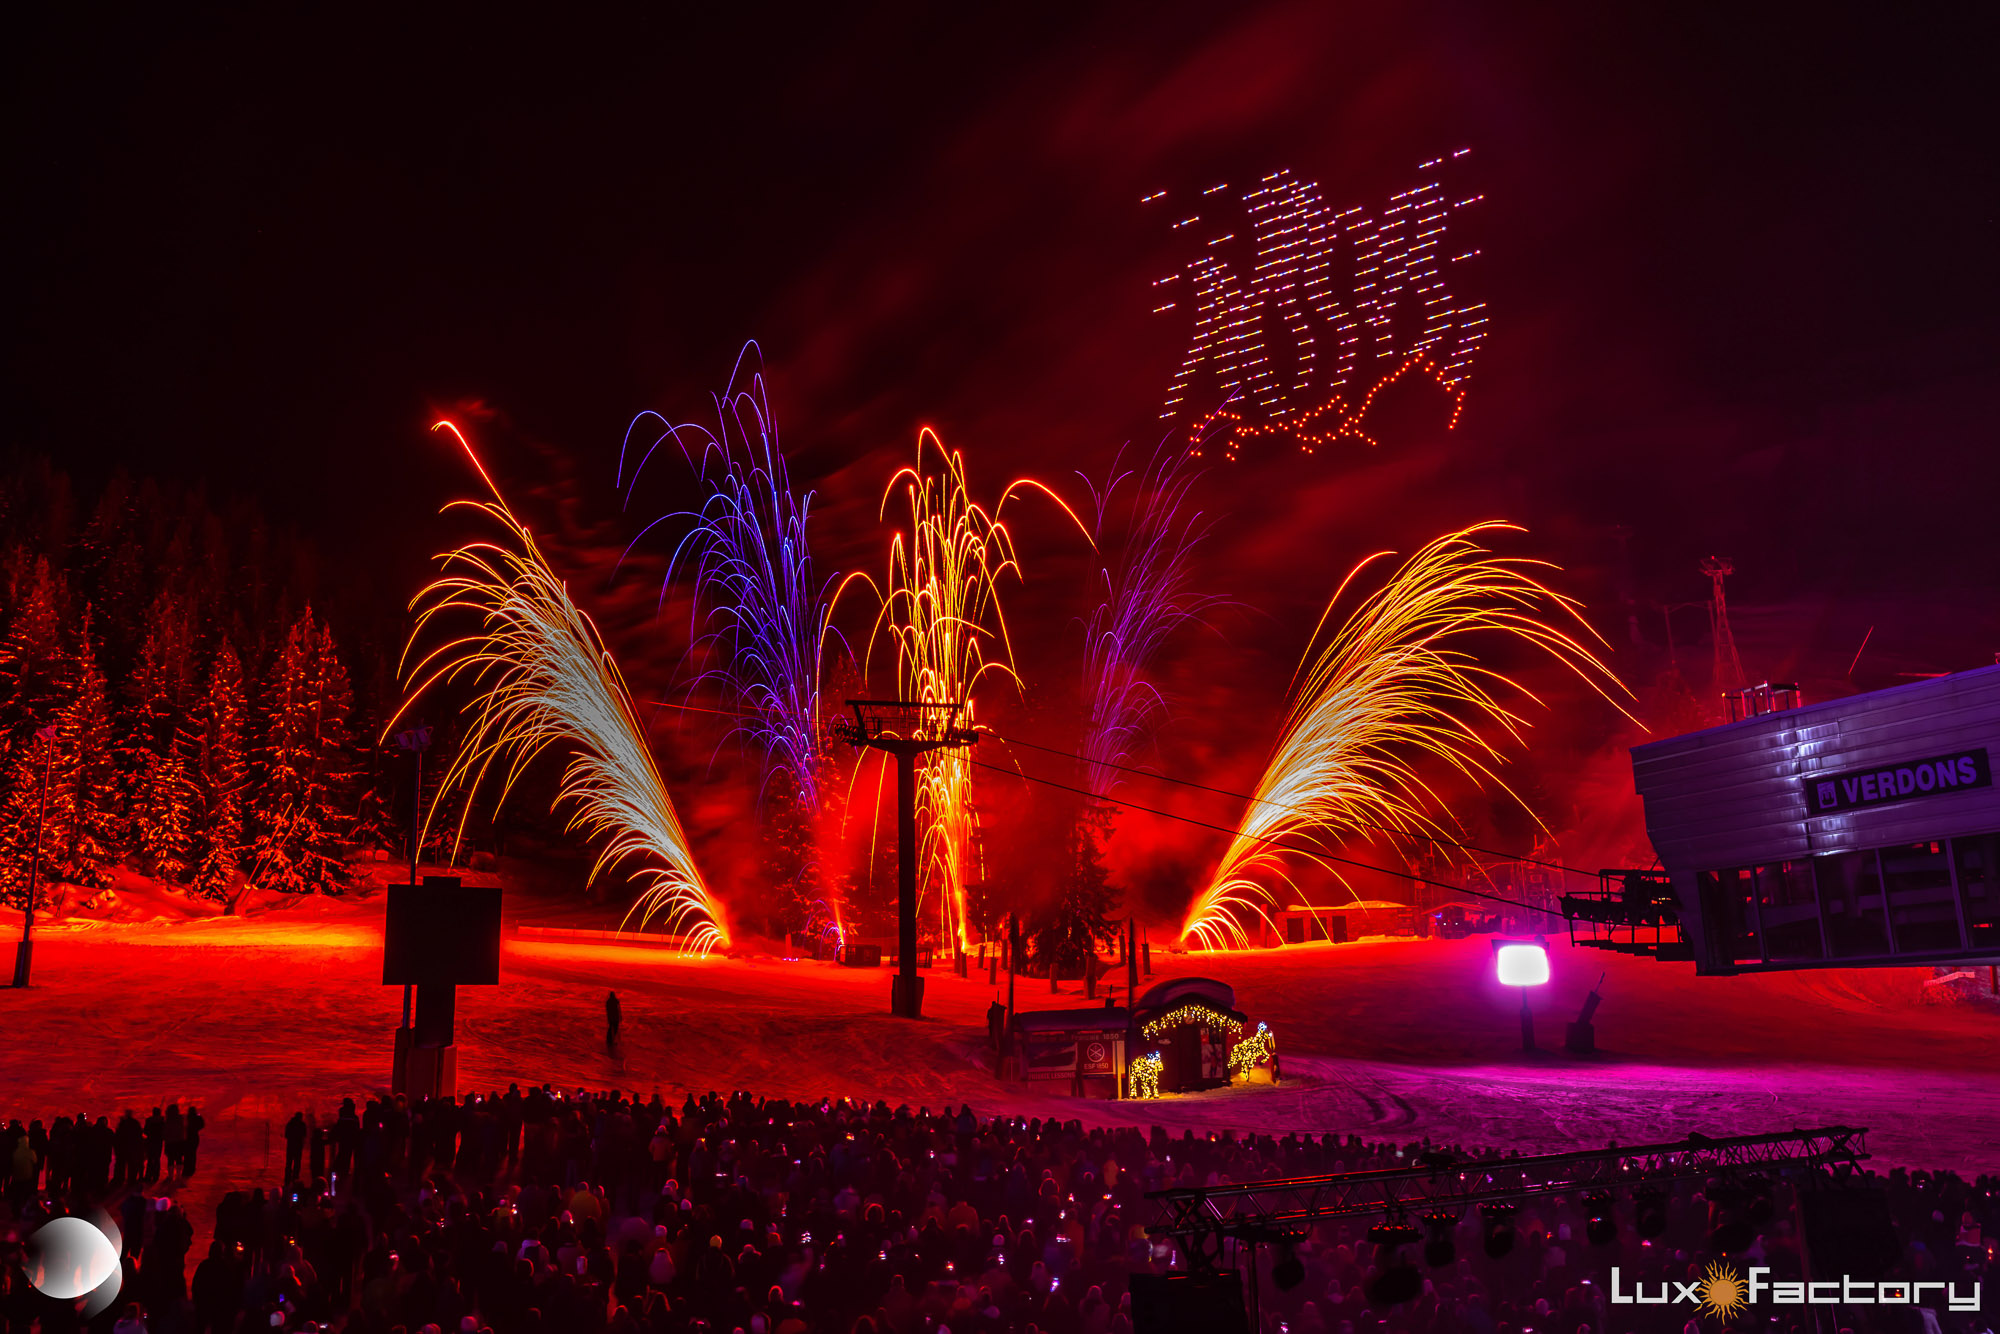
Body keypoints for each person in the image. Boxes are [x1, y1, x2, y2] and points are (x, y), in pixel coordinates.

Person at [285, 1111, 308, 1184]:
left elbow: (286, 1135)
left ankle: (287, 1178)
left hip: (291, 1146)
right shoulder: (302, 1125)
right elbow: (304, 1135)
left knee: (289, 1162)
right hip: (298, 1146)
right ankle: (295, 1177)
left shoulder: (290, 1124)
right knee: (297, 1162)